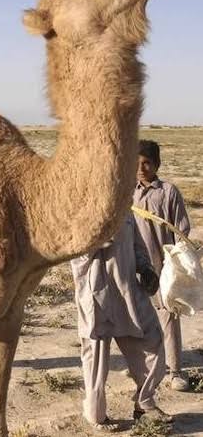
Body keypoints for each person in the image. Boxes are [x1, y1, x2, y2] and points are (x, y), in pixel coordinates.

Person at [71, 213, 171, 431]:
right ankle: (96, 415)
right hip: (96, 292)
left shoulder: (125, 209)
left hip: (128, 292)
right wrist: (96, 240)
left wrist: (145, 268)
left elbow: (137, 245)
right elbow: (71, 249)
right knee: (96, 356)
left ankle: (144, 403)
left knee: (152, 341)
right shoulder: (80, 208)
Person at [133, 139, 191, 391]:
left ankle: (174, 370)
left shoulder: (169, 192)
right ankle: (144, 367)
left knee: (168, 318)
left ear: (156, 164)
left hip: (164, 266)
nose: (142, 168)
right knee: (137, 319)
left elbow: (181, 229)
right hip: (135, 267)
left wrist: (178, 262)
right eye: (137, 163)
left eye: (147, 162)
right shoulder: (127, 191)